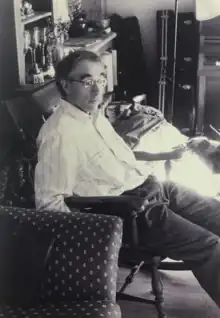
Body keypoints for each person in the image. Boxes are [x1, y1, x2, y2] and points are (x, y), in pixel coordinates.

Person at [35, 50, 220, 309]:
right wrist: (96, 237)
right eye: (87, 82)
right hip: (131, 211)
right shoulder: (59, 135)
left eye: (100, 79)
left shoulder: (94, 116)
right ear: (65, 85)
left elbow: (118, 158)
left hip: (152, 187)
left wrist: (163, 155)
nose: (97, 89)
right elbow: (49, 204)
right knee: (210, 247)